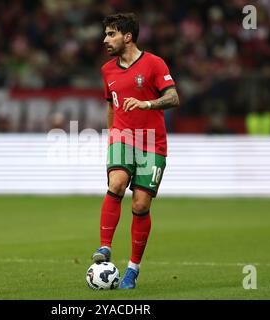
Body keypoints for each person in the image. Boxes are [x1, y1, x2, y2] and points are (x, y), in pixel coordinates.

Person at [92, 13, 180, 289]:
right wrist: (111, 138)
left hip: (152, 143)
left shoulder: (154, 64)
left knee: (141, 205)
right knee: (116, 183)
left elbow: (174, 97)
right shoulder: (108, 70)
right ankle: (105, 247)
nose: (105, 40)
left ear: (127, 36)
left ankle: (132, 268)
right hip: (122, 137)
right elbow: (110, 106)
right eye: (105, 34)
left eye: (111, 34)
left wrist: (148, 104)